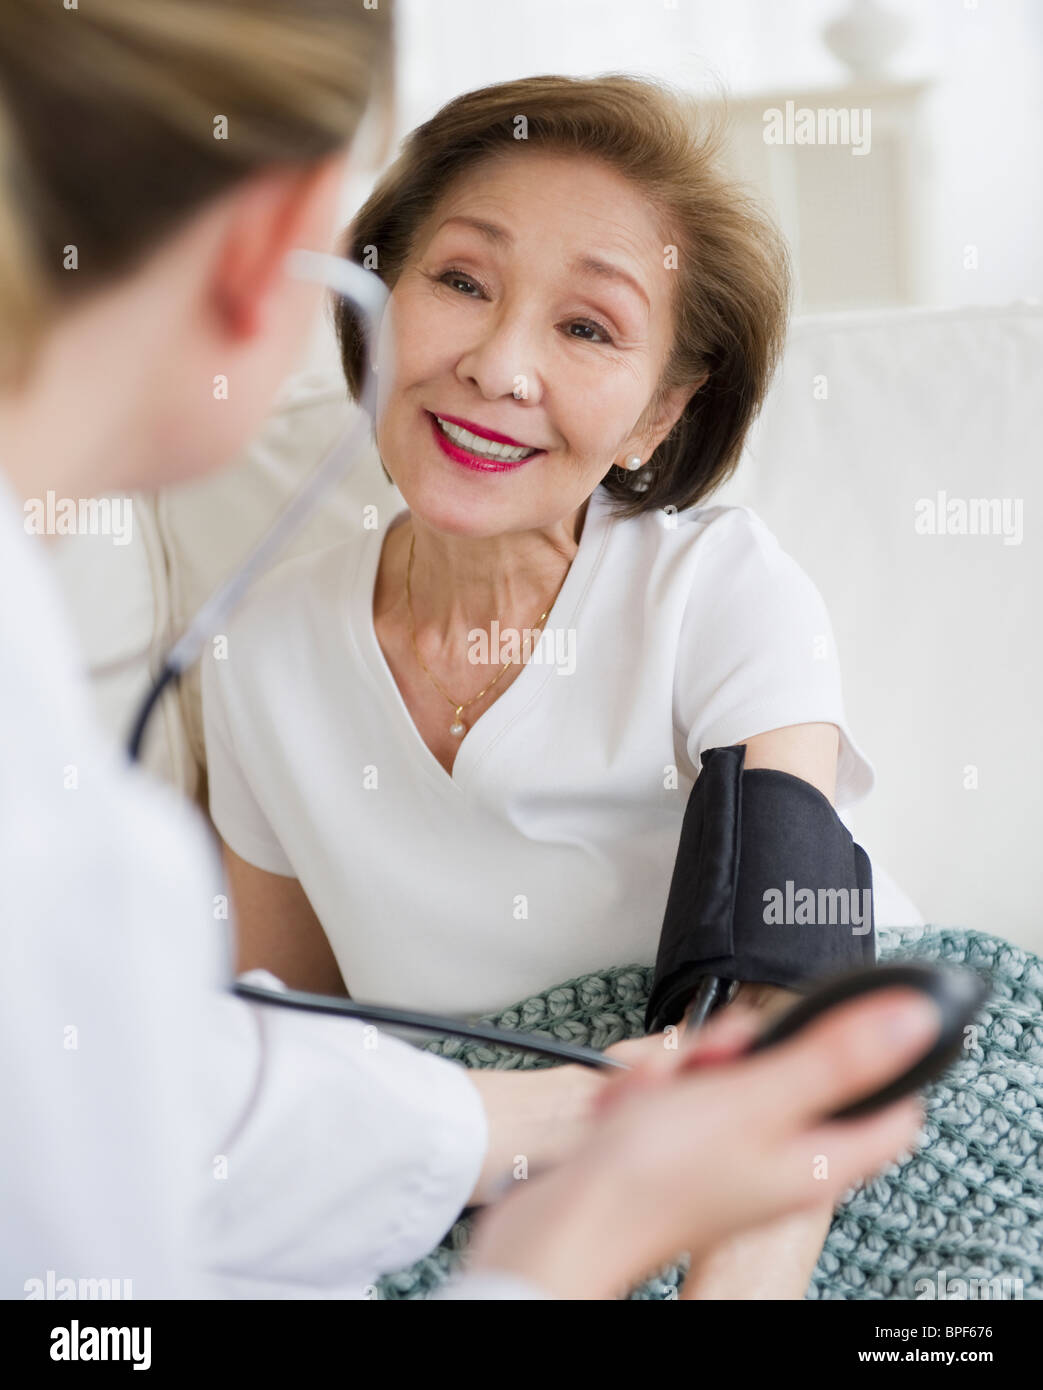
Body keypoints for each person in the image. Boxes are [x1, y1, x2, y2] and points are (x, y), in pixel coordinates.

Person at [0, 0, 933, 1303]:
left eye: (588, 328)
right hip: (494, 1154)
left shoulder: (722, 593)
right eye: (458, 281)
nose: (498, 365)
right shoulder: (262, 652)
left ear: (661, 415)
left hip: (799, 1137)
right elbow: (293, 1049)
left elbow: (796, 982)